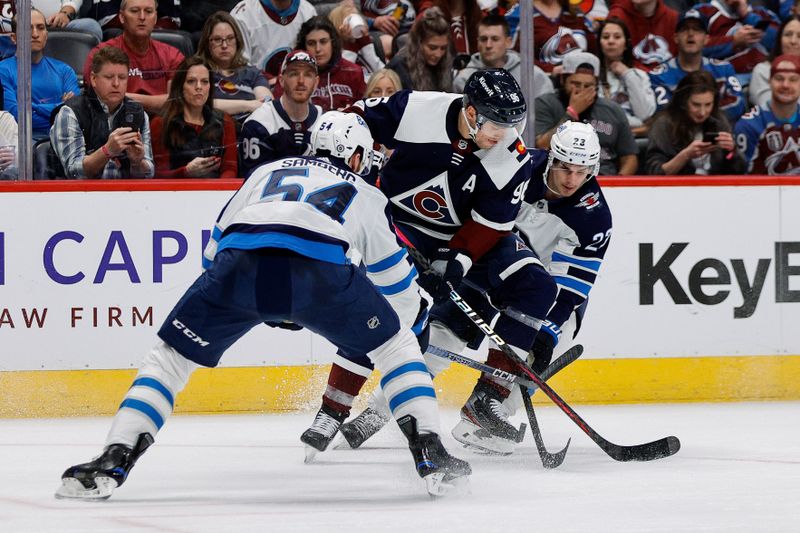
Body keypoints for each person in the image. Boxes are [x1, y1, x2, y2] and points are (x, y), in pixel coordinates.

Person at [55, 111, 471, 500]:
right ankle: (430, 451)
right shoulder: (365, 192)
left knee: (169, 359)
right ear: (358, 155)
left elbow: (212, 253)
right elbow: (398, 288)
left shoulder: (266, 171)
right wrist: (408, 322)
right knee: (396, 348)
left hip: (239, 264)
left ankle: (114, 457)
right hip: (320, 268)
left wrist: (255, 302)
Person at [307, 122, 613, 456]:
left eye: (582, 172)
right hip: (487, 263)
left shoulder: (594, 217)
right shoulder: (519, 170)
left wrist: (547, 331)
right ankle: (377, 413)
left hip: (542, 290)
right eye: (564, 168)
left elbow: (572, 285)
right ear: (551, 158)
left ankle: (485, 416)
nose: (571, 180)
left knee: (541, 345)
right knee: (441, 336)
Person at [337, 69, 558, 454]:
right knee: (395, 316)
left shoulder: (512, 155)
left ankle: (485, 401)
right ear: (471, 113)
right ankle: (353, 410)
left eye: (512, 125)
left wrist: (456, 265)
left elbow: (489, 226)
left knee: (535, 287)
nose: (504, 135)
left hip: (465, 241)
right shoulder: (418, 109)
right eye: (495, 125)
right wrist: (351, 164)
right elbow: (351, 119)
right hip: (400, 228)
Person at [50, 46, 154, 179]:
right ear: (93, 79)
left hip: (126, 195)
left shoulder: (138, 113)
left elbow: (149, 173)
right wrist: (107, 151)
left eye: (122, 77)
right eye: (109, 77)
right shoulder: (71, 112)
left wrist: (137, 163)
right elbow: (74, 172)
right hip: (81, 197)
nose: (116, 84)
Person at [535, 51, 639, 175]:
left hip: (604, 179)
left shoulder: (613, 110)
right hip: (561, 177)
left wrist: (616, 184)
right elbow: (542, 146)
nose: (582, 91)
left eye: (588, 85)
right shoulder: (546, 104)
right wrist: (572, 112)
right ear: (563, 80)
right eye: (576, 84)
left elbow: (629, 157)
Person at [82, 0, 186, 115]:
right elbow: (101, 99)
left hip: (161, 127)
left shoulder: (172, 55)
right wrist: (155, 102)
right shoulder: (101, 54)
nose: (142, 17)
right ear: (122, 17)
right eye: (135, 11)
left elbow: (175, 102)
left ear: (156, 18)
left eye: (148, 11)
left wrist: (124, 97)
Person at [649, 9, 745, 124]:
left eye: (697, 29)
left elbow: (738, 103)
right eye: (685, 29)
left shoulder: (724, 69)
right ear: (675, 38)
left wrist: (704, 116)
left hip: (719, 133)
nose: (690, 34)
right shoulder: (659, 76)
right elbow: (665, 112)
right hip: (678, 137)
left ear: (706, 39)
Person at [150, 56, 238, 179]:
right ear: (180, 87)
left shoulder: (225, 121)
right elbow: (157, 174)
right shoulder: (160, 123)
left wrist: (217, 190)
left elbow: (230, 169)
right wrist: (186, 172)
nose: (199, 87)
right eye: (191, 81)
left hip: (215, 192)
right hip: (175, 193)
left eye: (204, 81)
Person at [0, 8, 80, 141]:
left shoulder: (65, 71)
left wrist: (31, 107)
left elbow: (74, 114)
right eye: (27, 28)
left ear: (46, 35)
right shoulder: (2, 71)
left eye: (41, 27)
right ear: (14, 38)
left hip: (63, 140)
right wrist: (59, 107)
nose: (35, 34)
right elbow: (15, 116)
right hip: (21, 142)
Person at [239, 50, 323, 178]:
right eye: (294, 74)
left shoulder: (326, 121)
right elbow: (254, 180)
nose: (301, 81)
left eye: (308, 75)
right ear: (281, 80)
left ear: (316, 82)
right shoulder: (258, 123)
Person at [645, 70, 745, 175]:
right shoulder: (663, 124)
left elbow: (739, 171)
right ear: (683, 102)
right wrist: (685, 156)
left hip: (715, 188)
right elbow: (655, 173)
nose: (702, 112)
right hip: (678, 188)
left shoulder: (719, 121)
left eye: (708, 105)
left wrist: (732, 151)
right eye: (696, 105)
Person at [195, 11, 271, 127]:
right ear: (207, 43)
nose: (225, 45)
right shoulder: (198, 71)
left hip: (247, 132)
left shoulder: (252, 73)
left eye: (230, 38)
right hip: (211, 131)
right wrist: (248, 105)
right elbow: (200, 103)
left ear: (238, 41)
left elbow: (266, 104)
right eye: (217, 39)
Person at [275, 15, 366, 111]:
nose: (318, 49)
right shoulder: (290, 71)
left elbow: (364, 112)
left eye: (323, 42)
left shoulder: (354, 72)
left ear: (333, 43)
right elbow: (279, 106)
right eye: (311, 43)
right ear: (303, 46)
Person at [453, 13, 554, 100]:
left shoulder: (531, 75)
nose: (488, 45)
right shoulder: (465, 80)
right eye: (483, 39)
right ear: (477, 42)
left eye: (495, 39)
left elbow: (547, 112)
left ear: (508, 42)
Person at [735, 54, 800, 174]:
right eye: (779, 78)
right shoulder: (748, 126)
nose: (785, 85)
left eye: (793, 79)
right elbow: (743, 181)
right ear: (769, 81)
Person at [695, 0, 780, 86]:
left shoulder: (762, 12)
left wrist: (747, 15)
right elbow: (692, 47)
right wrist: (733, 40)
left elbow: (782, 42)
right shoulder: (703, 11)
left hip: (766, 76)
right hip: (726, 79)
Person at [231, 0, 317, 83]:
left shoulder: (308, 12)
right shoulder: (243, 14)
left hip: (299, 89)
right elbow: (239, 65)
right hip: (256, 90)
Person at [596, 17, 656, 134]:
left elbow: (644, 114)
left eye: (617, 37)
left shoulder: (639, 75)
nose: (611, 41)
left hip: (636, 140)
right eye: (605, 37)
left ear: (626, 44)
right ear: (600, 43)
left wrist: (628, 75)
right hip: (601, 136)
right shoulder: (592, 75)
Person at [505, 0, 597, 74]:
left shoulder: (576, 13)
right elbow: (512, 55)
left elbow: (594, 50)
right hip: (541, 86)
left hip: (583, 80)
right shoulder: (517, 15)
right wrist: (551, 69)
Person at [387, 6, 453, 90]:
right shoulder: (399, 66)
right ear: (418, 42)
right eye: (432, 48)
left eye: (443, 48)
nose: (438, 54)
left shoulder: (446, 61)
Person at [607, 0, 679, 71]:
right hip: (629, 77)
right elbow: (612, 59)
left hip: (669, 79)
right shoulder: (617, 16)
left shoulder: (673, 18)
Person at [749, 16, 800, 108]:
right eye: (788, 34)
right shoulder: (762, 70)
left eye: (799, 36)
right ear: (779, 39)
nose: (793, 41)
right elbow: (770, 108)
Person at [328, 1, 386, 77]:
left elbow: (384, 73)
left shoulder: (367, 46)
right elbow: (343, 76)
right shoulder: (334, 55)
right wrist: (349, 45)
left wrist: (366, 45)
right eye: (349, 20)